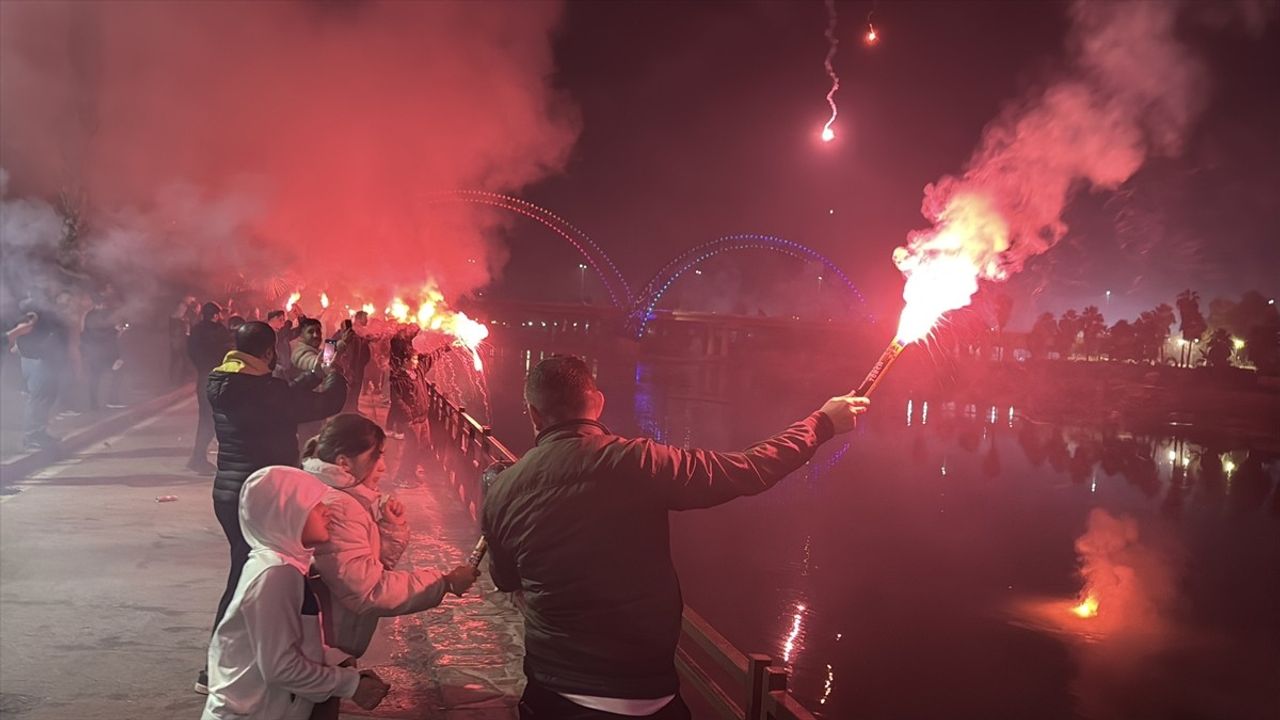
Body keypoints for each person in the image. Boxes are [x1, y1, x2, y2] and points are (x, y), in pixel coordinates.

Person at [481, 355, 869, 720]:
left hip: (554, 693)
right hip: (649, 694)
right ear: (597, 403)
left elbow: (505, 579)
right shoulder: (640, 461)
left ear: (533, 412)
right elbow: (749, 470)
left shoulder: (503, 488)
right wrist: (821, 424)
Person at [200, 321, 347, 694]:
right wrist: (334, 374)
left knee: (245, 570)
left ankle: (250, 657)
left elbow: (282, 397)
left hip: (228, 492)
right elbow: (325, 403)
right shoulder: (263, 391)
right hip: (262, 498)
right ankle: (218, 667)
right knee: (249, 578)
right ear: (269, 352)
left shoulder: (224, 380)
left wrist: (310, 374)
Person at [301, 414, 479, 719]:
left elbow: (362, 569)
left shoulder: (342, 497)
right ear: (345, 463)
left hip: (326, 642)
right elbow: (367, 590)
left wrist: (389, 530)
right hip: (323, 643)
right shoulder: (340, 505)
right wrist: (444, 582)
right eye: (376, 457)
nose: (383, 466)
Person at [202, 465, 390, 719]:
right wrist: (349, 684)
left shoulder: (280, 566)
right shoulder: (276, 576)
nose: (327, 512)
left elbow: (289, 640)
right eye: (316, 506)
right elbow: (280, 667)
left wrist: (334, 658)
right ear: (288, 513)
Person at [13, 297, 70, 450]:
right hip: (37, 360)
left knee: (45, 397)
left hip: (43, 359)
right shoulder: (30, 318)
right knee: (39, 397)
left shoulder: (45, 320)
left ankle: (39, 432)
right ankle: (32, 436)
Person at [188, 302, 232, 473]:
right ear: (215, 315)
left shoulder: (196, 331)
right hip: (216, 377)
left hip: (203, 375)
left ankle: (197, 457)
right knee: (211, 420)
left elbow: (190, 352)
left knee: (206, 418)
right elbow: (227, 351)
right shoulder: (219, 332)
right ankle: (198, 458)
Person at [80, 308, 125, 411]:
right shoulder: (92, 315)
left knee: (113, 373)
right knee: (96, 377)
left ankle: (105, 401)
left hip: (104, 352)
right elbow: (100, 334)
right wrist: (115, 330)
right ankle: (98, 403)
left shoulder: (94, 314)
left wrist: (118, 331)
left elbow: (111, 337)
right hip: (97, 352)